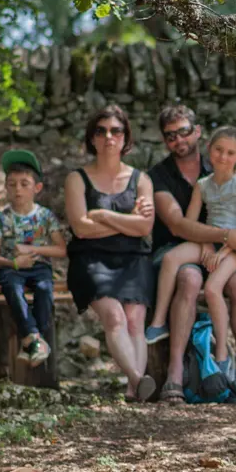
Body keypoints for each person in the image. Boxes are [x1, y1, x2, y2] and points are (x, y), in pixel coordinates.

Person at [147, 106, 236, 402]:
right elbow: (178, 224)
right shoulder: (159, 175)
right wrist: (228, 238)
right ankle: (175, 372)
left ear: (198, 132)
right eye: (171, 135)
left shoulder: (220, 164)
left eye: (184, 131)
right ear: (165, 141)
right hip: (177, 249)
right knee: (188, 277)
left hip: (222, 251)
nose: (179, 139)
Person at [65, 105, 157, 400]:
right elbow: (80, 228)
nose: (109, 136)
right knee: (115, 317)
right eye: (101, 131)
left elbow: (145, 228)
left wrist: (103, 216)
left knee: (134, 320)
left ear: (125, 137)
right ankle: (137, 379)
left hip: (134, 258)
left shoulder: (141, 180)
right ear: (92, 138)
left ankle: (135, 390)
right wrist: (127, 221)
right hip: (91, 260)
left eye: (116, 131)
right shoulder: (77, 179)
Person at [0, 150, 67, 367]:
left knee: (44, 289)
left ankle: (31, 342)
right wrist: (13, 262)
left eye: (24, 184)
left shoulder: (45, 216)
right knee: (12, 287)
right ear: (5, 188)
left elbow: (61, 249)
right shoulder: (2, 218)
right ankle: (34, 340)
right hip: (11, 269)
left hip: (39, 267)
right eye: (12, 184)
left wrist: (33, 250)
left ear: (36, 188)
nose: (18, 189)